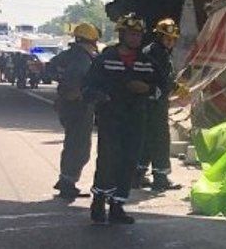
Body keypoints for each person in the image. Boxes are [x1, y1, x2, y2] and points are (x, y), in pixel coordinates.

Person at [82, 14, 168, 225]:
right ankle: (99, 202)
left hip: (136, 119)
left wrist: (147, 89)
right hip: (111, 119)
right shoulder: (105, 59)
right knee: (107, 160)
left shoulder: (148, 63)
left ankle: (118, 206)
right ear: (121, 35)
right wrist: (102, 97)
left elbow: (163, 90)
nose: (135, 38)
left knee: (128, 161)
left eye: (138, 34)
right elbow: (88, 88)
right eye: (131, 34)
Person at [46, 24, 100, 200]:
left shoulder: (68, 55)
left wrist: (62, 86)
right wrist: (76, 93)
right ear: (91, 40)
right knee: (79, 146)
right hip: (79, 106)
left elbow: (50, 68)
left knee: (72, 143)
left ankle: (66, 180)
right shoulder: (83, 59)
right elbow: (77, 80)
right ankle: (68, 182)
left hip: (68, 105)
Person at [137, 18, 183, 192]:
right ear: (159, 37)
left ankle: (138, 174)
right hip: (154, 104)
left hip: (147, 102)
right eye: (167, 39)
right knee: (160, 139)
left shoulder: (149, 50)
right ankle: (161, 178)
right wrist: (176, 87)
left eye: (173, 39)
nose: (170, 42)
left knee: (147, 139)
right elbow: (163, 79)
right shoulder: (159, 53)